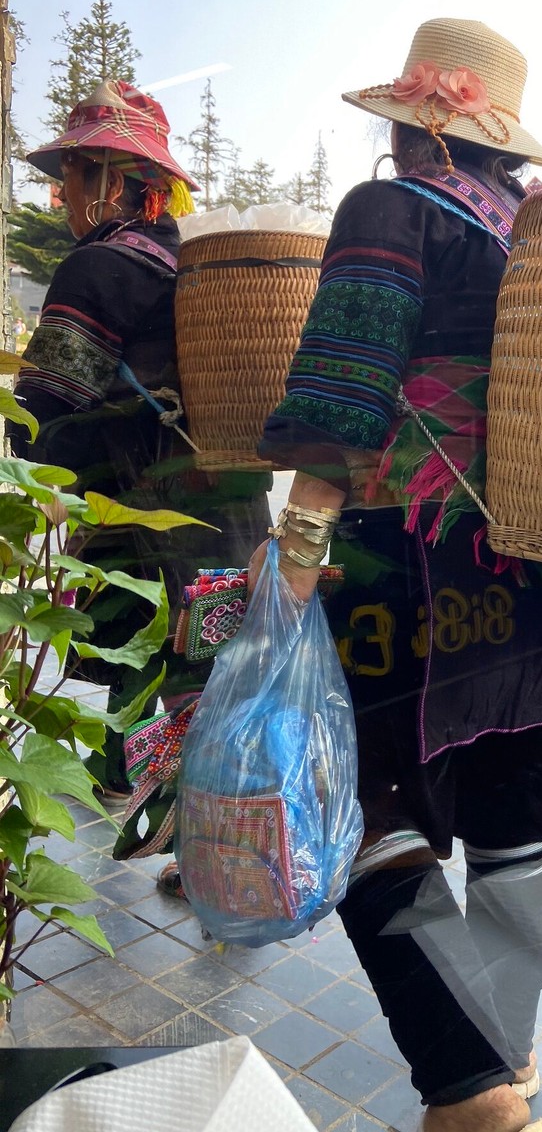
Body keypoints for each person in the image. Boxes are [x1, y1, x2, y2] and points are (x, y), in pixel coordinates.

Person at [251, 19, 542, 1132]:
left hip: (416, 571)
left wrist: (293, 569)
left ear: (413, 129)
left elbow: (343, 399)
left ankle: (471, 1093)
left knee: (364, 809)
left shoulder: (389, 210)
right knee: (514, 826)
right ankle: (507, 1050)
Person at [12, 81, 271, 862]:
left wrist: (36, 476)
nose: (63, 197)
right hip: (230, 504)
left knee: (141, 655)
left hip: (142, 509)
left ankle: (174, 828)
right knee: (209, 671)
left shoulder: (99, 266)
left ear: (111, 181)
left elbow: (48, 400)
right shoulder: (187, 258)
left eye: (74, 178)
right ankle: (192, 826)